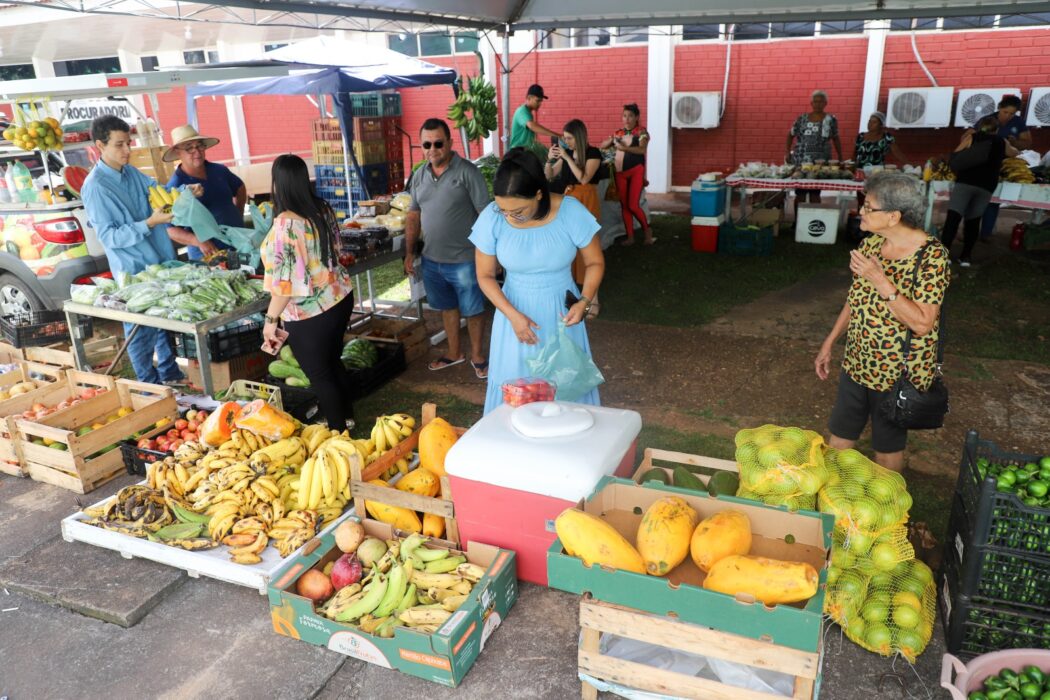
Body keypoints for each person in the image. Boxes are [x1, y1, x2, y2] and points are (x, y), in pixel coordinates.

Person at [815, 172, 950, 473]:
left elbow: (923, 323)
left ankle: (890, 508)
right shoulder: (872, 244)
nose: (860, 211)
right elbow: (855, 298)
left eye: (868, 207)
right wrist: (830, 342)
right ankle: (829, 504)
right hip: (857, 362)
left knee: (887, 450)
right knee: (839, 437)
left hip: (896, 371)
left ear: (893, 216)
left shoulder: (932, 258)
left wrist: (880, 280)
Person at [470, 149, 605, 414]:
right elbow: (484, 276)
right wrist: (513, 316)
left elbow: (595, 263)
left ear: (539, 194)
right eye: (503, 209)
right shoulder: (492, 216)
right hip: (512, 317)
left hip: (562, 317)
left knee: (565, 394)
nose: (509, 217)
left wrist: (585, 301)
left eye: (518, 210)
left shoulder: (570, 211)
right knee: (513, 397)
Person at [81, 115, 190, 385]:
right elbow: (109, 237)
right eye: (120, 145)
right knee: (141, 331)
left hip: (161, 263)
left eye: (128, 143)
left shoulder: (130, 172)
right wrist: (149, 223)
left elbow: (159, 191)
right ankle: (146, 386)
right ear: (99, 146)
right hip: (134, 272)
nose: (128, 151)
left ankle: (171, 377)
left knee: (165, 325)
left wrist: (186, 191)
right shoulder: (95, 187)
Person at [261, 154, 356, 430]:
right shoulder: (321, 209)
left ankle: (338, 433)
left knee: (319, 373)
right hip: (339, 297)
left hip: (309, 313)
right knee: (332, 362)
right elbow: (337, 250)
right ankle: (346, 416)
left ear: (278, 184)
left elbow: (284, 285)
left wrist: (270, 322)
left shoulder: (285, 226)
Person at [404, 118, 491, 378]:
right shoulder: (419, 174)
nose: (433, 149)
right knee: (446, 307)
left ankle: (477, 355)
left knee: (473, 309)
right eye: (427, 144)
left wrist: (489, 254)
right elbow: (413, 215)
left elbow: (485, 213)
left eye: (438, 143)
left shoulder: (467, 172)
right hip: (431, 260)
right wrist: (409, 252)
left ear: (450, 143)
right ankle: (454, 353)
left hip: (465, 258)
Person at [940, 115, 1019, 267]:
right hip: (986, 186)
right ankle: (966, 258)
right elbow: (1014, 153)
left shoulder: (972, 137)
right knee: (973, 220)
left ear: (979, 127)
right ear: (996, 129)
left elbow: (955, 155)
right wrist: (1010, 143)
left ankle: (944, 256)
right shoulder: (1002, 142)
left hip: (965, 183)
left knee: (953, 218)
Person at [164, 124, 247, 261]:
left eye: (199, 146)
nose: (197, 152)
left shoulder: (219, 170)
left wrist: (239, 213)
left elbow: (239, 187)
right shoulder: (175, 187)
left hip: (239, 244)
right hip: (208, 255)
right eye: (189, 148)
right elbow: (169, 229)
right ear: (178, 153)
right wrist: (197, 241)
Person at [546, 119, 603, 318]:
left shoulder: (594, 153)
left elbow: (584, 178)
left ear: (578, 136)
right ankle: (573, 296)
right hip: (569, 202)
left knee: (588, 250)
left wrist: (567, 158)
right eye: (564, 138)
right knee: (568, 250)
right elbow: (549, 175)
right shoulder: (567, 154)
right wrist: (550, 160)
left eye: (569, 138)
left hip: (587, 201)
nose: (566, 142)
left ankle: (593, 299)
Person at [599, 103, 653, 246]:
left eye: (630, 116)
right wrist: (611, 140)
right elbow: (602, 146)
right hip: (620, 173)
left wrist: (623, 147)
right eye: (624, 116)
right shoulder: (619, 133)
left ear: (636, 117)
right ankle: (630, 237)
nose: (627, 119)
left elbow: (642, 150)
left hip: (636, 171)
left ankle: (647, 231)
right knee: (624, 206)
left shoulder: (642, 132)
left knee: (633, 205)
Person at [786, 90, 843, 224]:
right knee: (800, 192)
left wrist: (840, 156)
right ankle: (797, 222)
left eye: (820, 101)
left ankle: (812, 222)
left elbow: (836, 138)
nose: (817, 104)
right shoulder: (802, 119)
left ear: (825, 103)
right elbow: (790, 134)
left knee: (815, 192)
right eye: (815, 101)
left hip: (820, 161)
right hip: (801, 159)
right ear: (811, 103)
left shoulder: (831, 120)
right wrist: (787, 152)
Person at [980, 95, 1033, 239]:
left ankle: (985, 233)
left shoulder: (1018, 122)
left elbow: (1027, 143)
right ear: (999, 108)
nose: (1008, 116)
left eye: (1012, 113)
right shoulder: (988, 120)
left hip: (1007, 165)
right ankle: (970, 232)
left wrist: (1015, 142)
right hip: (985, 164)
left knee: (993, 200)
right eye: (1005, 112)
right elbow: (974, 137)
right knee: (978, 200)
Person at [509, 84, 559, 159]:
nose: (540, 104)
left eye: (541, 101)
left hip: (526, 153)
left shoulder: (529, 113)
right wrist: (556, 135)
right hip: (518, 154)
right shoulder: (522, 111)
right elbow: (532, 126)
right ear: (529, 98)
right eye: (537, 101)